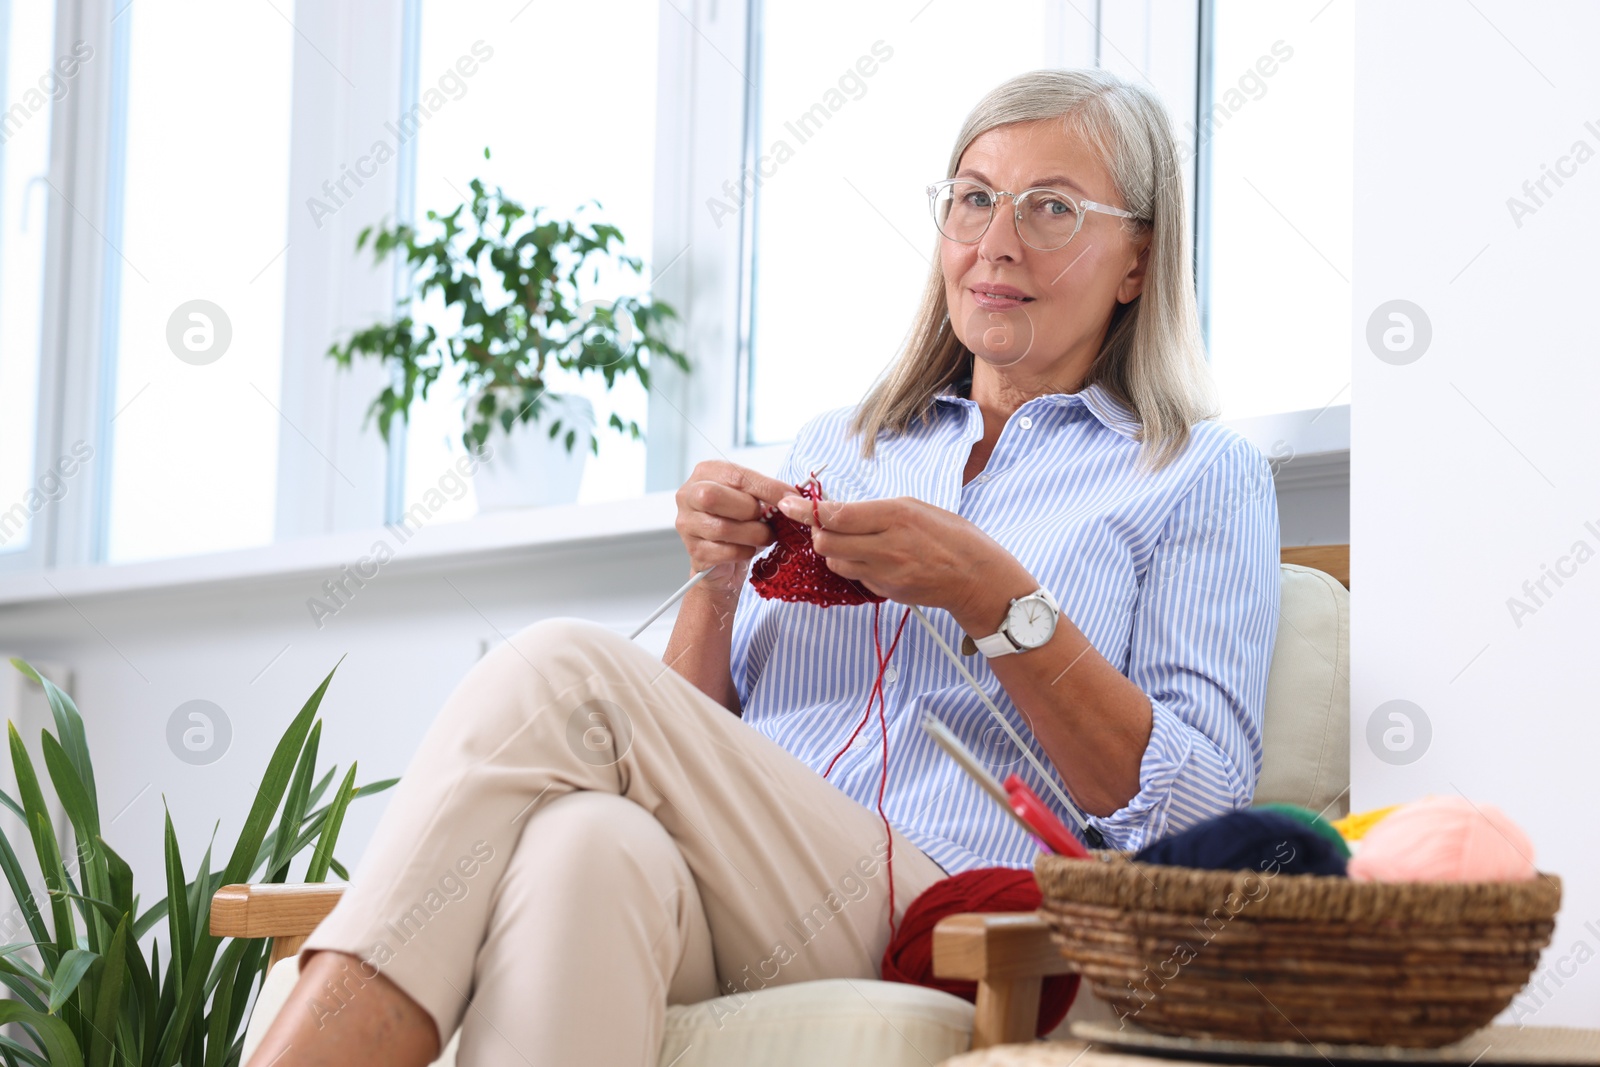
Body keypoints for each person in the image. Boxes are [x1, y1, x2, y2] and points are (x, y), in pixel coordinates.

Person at [248, 66, 1279, 1067]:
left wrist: (995, 596)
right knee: (586, 844)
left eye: (1049, 209)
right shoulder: (839, 445)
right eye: (972, 199)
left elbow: (1202, 812)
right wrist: (715, 579)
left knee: (560, 665)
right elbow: (693, 741)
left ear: (1137, 261)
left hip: (955, 909)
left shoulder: (1194, 472)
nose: (994, 242)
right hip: (754, 887)